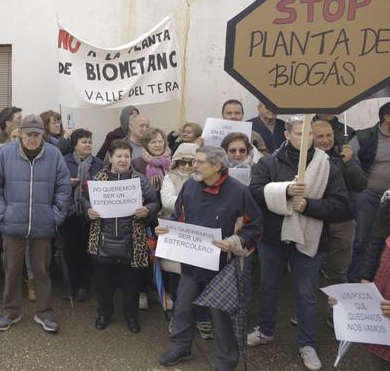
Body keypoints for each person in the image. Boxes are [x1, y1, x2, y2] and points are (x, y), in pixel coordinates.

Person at [247, 115, 351, 371]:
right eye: (299, 134)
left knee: (306, 294)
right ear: (287, 135)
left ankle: (307, 344)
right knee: (268, 287)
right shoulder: (269, 162)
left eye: (310, 135)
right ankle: (265, 330)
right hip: (273, 238)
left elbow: (341, 206)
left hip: (309, 239)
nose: (306, 140)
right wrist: (285, 191)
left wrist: (309, 206)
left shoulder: (328, 166)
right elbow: (255, 192)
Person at [158, 146, 262, 370]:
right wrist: (168, 230)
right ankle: (181, 346)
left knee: (222, 315)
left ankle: (226, 360)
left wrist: (233, 243)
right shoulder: (190, 186)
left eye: (199, 161)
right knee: (183, 307)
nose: (193, 165)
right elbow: (179, 216)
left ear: (217, 166)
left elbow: (254, 228)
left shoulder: (238, 191)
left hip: (222, 266)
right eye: (194, 160)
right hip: (191, 262)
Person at [0, 114, 71, 333]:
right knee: (12, 270)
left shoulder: (54, 155)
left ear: (43, 134)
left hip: (43, 225)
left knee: (42, 271)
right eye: (28, 134)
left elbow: (63, 187)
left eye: (37, 134)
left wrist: (56, 215)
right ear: (20, 133)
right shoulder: (4, 154)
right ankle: (10, 312)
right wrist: (1, 213)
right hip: (12, 225)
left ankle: (44, 313)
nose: (33, 138)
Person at [87, 139, 160, 334]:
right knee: (103, 283)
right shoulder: (98, 179)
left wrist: (148, 211)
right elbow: (84, 202)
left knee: (132, 284)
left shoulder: (139, 180)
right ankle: (104, 313)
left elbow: (154, 201)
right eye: (119, 156)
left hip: (133, 241)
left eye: (127, 156)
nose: (123, 160)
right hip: (103, 239)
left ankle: (131, 315)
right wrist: (88, 211)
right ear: (111, 157)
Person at [312, 120, 365, 309]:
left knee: (338, 272)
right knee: (309, 271)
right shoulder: (305, 157)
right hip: (314, 219)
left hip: (343, 221)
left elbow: (360, 185)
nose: (326, 140)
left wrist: (349, 162)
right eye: (320, 136)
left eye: (329, 136)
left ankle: (336, 315)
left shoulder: (344, 153)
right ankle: (308, 313)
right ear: (311, 137)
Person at [349, 101, 390, 282]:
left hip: (389, 198)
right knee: (362, 240)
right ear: (387, 118)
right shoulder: (363, 136)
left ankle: (379, 283)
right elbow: (350, 161)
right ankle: (356, 282)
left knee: (384, 244)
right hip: (369, 195)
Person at [61, 128, 103, 302]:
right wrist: (67, 183)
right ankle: (71, 285)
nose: (88, 145)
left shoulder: (98, 164)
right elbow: (56, 184)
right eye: (84, 142)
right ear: (75, 145)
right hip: (70, 214)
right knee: (70, 252)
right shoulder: (65, 161)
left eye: (90, 141)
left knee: (88, 253)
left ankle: (84, 286)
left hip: (91, 215)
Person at [158, 143, 198, 315]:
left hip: (198, 233)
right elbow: (167, 202)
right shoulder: (170, 178)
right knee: (176, 274)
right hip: (175, 230)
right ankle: (178, 314)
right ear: (176, 162)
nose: (187, 166)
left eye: (191, 162)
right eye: (183, 162)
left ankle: (198, 315)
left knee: (197, 275)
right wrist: (196, 206)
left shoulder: (202, 178)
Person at [357, 190, 390, 365]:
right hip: (382, 305)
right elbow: (377, 240)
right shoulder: (388, 198)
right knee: (379, 361)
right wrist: (366, 277)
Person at [133, 127, 171, 192]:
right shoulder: (137, 163)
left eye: (160, 141)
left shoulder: (172, 161)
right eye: (153, 142)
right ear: (146, 145)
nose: (158, 145)